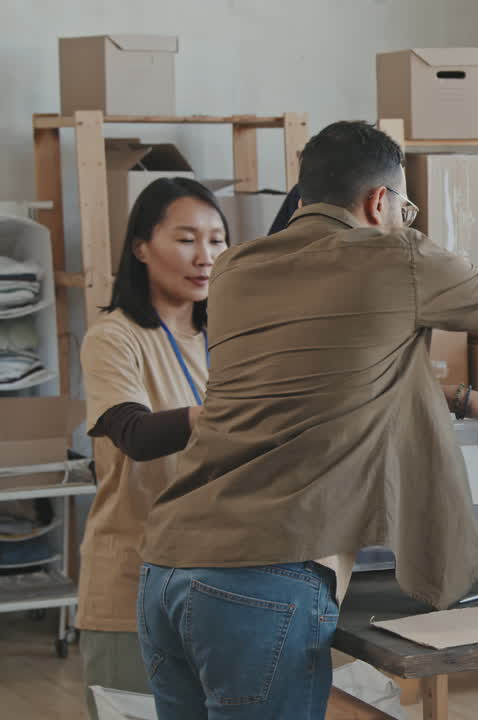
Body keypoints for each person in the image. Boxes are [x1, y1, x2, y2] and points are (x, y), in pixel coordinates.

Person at [133, 121, 478, 720]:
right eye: (406, 206)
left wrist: (466, 398)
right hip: (264, 572)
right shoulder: (397, 255)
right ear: (379, 201)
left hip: (168, 565)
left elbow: (322, 377)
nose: (406, 218)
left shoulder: (238, 269)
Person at [76, 178, 229, 719]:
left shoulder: (232, 335)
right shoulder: (114, 337)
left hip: (223, 582)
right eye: (187, 239)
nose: (205, 256)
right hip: (132, 586)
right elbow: (135, 435)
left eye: (216, 240)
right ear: (141, 247)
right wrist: (236, 415)